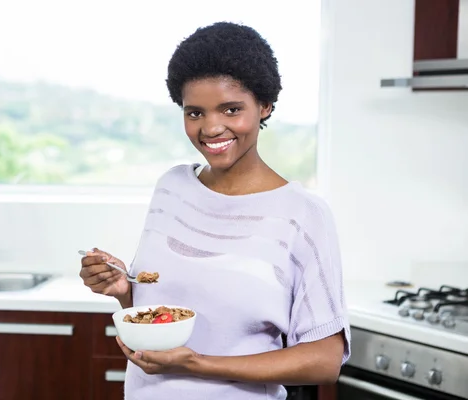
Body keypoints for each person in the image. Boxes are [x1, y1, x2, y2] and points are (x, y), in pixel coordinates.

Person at [80, 21, 350, 400]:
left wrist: (198, 364)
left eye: (231, 109)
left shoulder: (302, 215)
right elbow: (162, 314)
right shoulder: (171, 187)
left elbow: (325, 360)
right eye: (195, 113)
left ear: (265, 106)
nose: (211, 128)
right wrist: (125, 291)